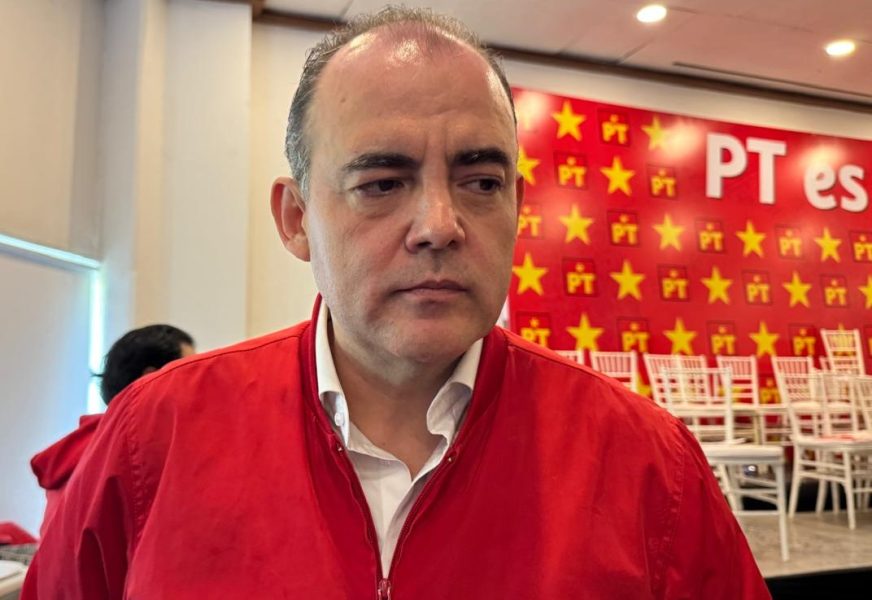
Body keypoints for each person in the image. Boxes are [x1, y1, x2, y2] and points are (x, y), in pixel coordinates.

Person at [24, 7, 770, 599]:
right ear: (296, 219)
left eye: (481, 183)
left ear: (517, 205)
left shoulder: (649, 465)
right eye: (382, 183)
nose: (440, 225)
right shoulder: (152, 439)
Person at [28, 324, 194, 539]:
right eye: (188, 373)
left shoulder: (84, 445)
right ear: (152, 378)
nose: (196, 386)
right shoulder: (136, 452)